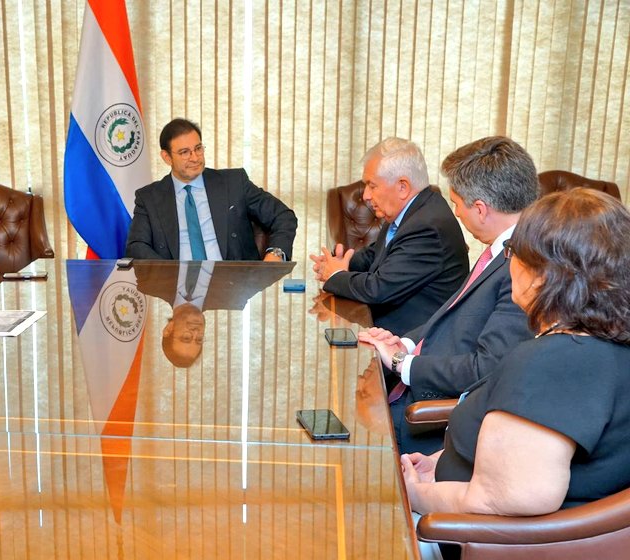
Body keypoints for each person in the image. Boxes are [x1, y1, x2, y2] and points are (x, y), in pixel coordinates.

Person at [402, 189, 630, 560]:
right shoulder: (601, 344)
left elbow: (500, 504)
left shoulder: (554, 363)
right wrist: (438, 464)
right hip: (553, 557)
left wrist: (413, 495)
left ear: (542, 273)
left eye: (512, 256)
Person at [360, 137, 538, 454]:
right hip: (418, 384)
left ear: (481, 209)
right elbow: (451, 310)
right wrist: (405, 344)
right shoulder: (500, 252)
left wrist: (403, 364)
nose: (455, 213)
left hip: (433, 419)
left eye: (457, 203)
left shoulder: (523, 266)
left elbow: (487, 369)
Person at [311, 137, 469, 335]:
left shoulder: (427, 227)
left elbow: (378, 289)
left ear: (402, 187)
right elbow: (375, 255)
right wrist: (340, 262)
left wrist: (335, 275)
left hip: (412, 344)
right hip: (387, 333)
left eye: (372, 185)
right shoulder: (412, 212)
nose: (366, 195)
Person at [124, 118, 297, 261]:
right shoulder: (149, 198)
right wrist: (169, 276)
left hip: (233, 287)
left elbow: (283, 216)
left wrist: (276, 253)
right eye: (185, 152)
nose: (195, 158)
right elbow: (136, 246)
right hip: (176, 290)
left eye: (198, 148)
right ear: (167, 157)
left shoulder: (234, 183)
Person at [133, 260, 291, 366]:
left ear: (168, 329)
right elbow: (280, 268)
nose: (196, 332)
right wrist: (276, 253)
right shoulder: (232, 296)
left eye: (186, 337)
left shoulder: (150, 281)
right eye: (199, 339)